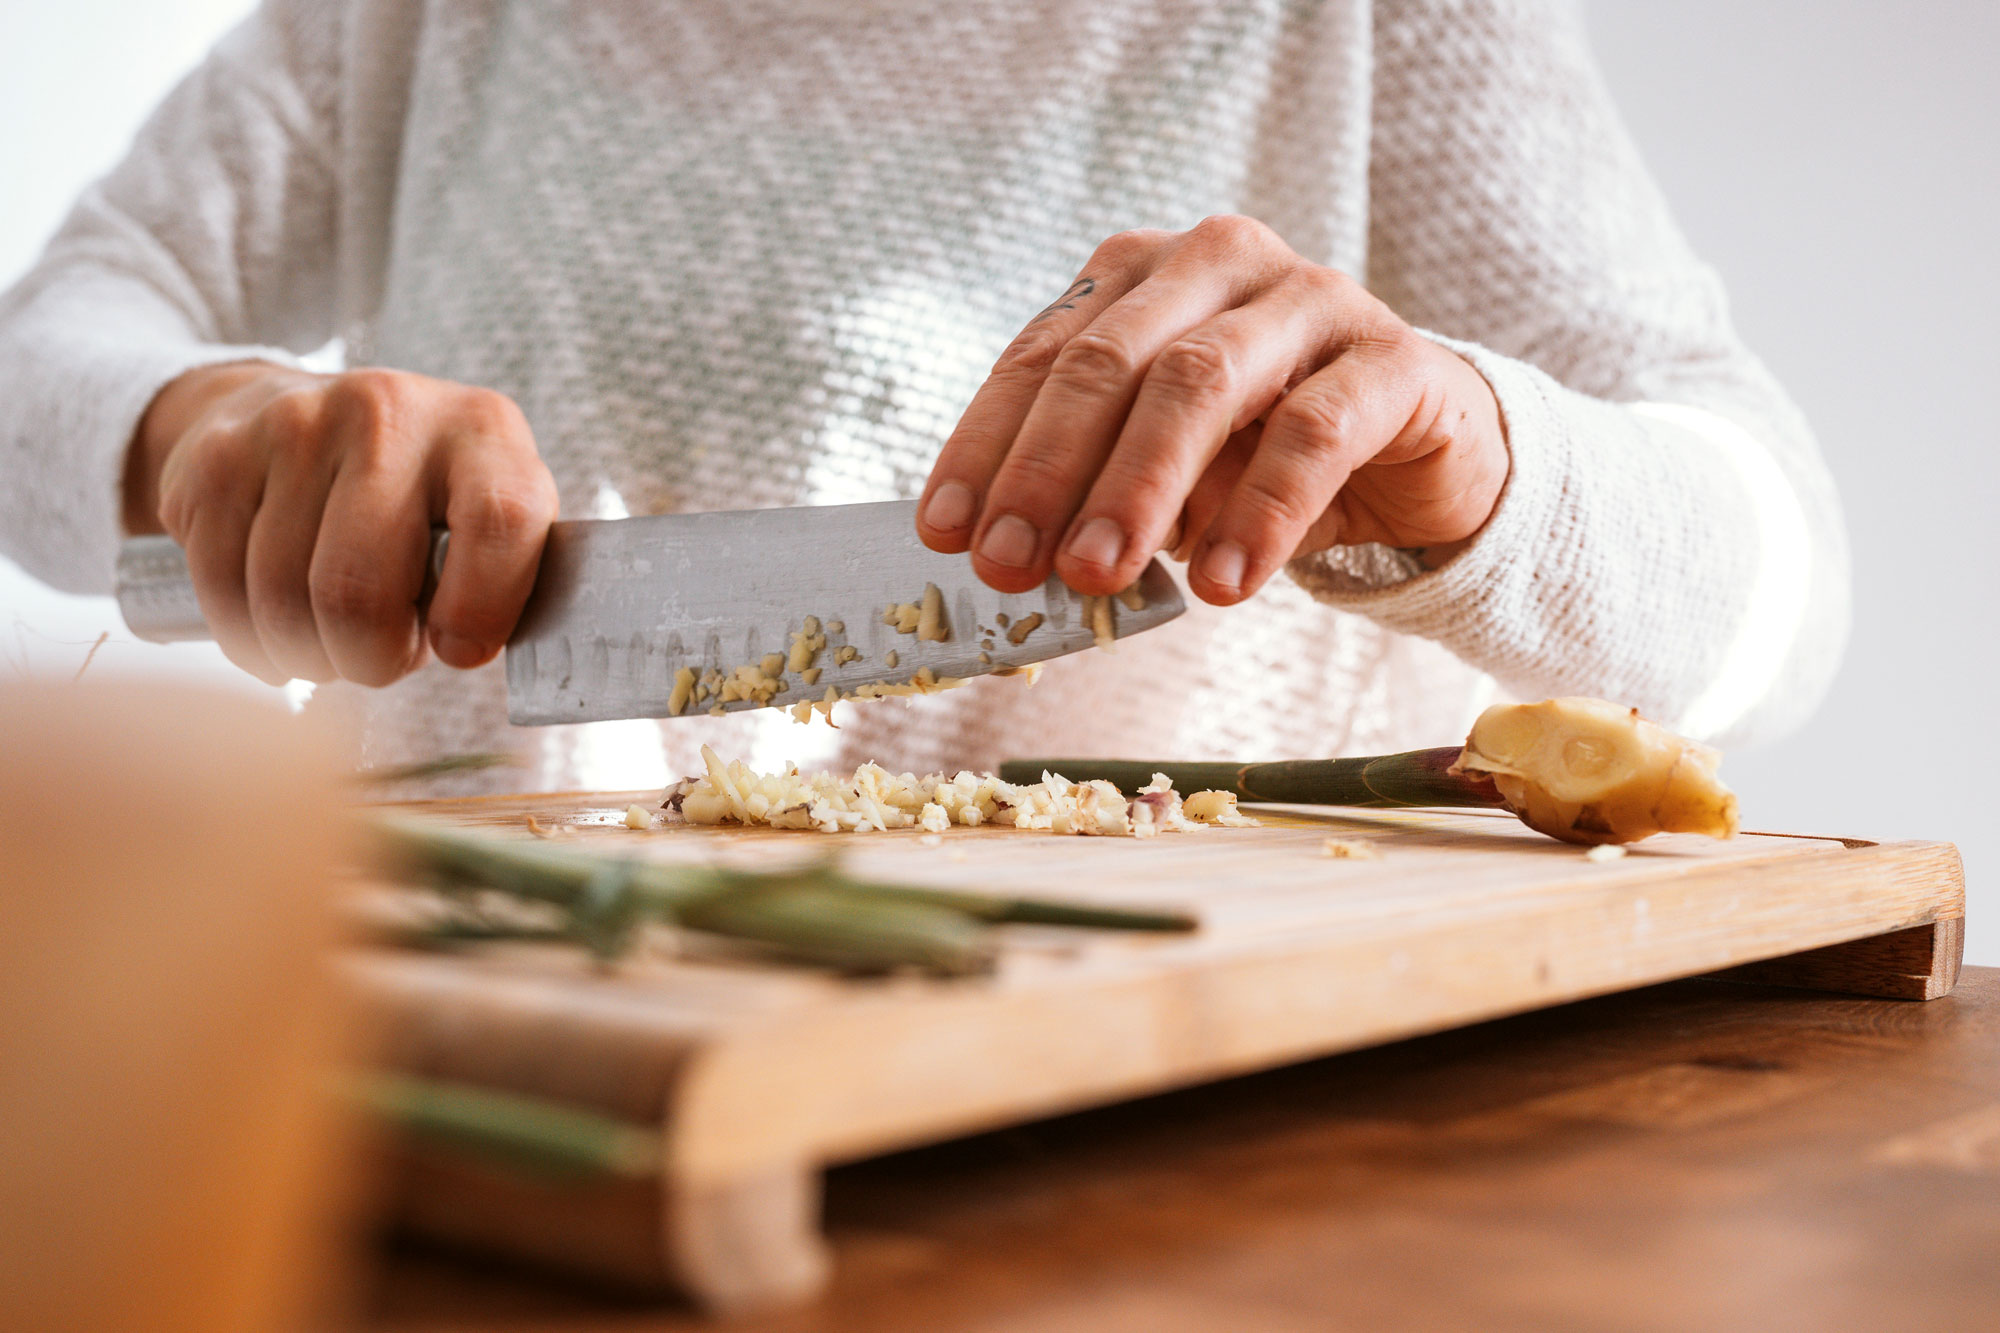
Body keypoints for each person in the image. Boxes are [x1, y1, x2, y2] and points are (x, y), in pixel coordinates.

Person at [0, 1, 1846, 793]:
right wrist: (195, 429)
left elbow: (1784, 592)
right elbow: (48, 342)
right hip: (481, 1082)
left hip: (1177, 1134)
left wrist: (1492, 466)